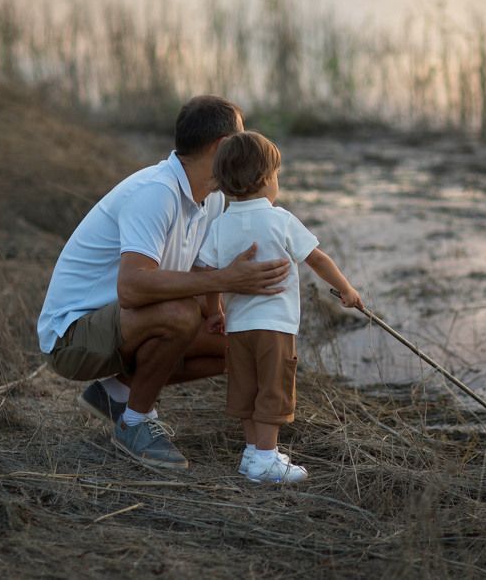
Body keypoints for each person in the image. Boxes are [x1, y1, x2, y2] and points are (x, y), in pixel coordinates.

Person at [37, 96, 289, 471]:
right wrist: (226, 278)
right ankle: (134, 425)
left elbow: (200, 272)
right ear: (222, 147)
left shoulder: (211, 198)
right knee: (180, 313)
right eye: (240, 138)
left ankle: (117, 393)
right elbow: (133, 288)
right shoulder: (157, 192)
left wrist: (217, 310)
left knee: (237, 341)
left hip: (124, 324)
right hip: (73, 337)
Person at [199, 131, 361, 484]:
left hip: (239, 327)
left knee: (246, 388)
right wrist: (345, 288)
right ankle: (266, 460)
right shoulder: (280, 219)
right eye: (276, 176)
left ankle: (252, 452)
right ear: (265, 179)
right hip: (275, 327)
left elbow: (208, 274)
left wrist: (215, 312)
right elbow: (316, 258)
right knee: (273, 389)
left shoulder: (220, 225)